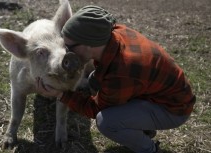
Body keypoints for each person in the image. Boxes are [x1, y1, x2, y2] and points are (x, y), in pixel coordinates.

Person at [35, 5, 196, 153]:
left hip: (174, 109)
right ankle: (144, 127)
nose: (66, 54)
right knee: (93, 79)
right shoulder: (111, 33)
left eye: (69, 48)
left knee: (107, 122)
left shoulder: (121, 71)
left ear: (89, 44)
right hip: (160, 93)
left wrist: (60, 94)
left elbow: (94, 109)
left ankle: (149, 149)